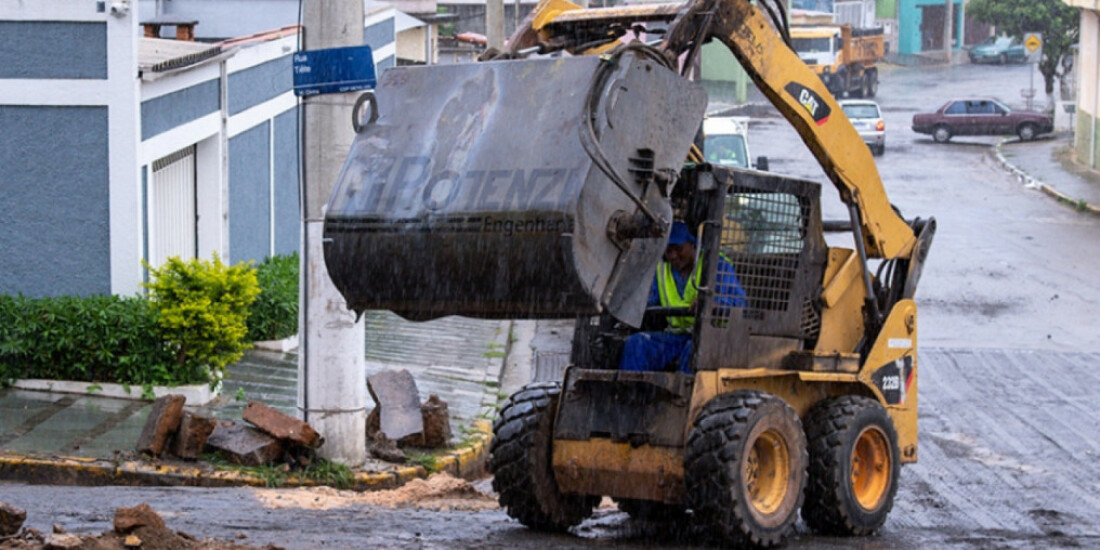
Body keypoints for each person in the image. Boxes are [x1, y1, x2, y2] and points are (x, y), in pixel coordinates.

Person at [619, 222, 747, 374]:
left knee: (693, 350)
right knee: (637, 344)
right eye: (668, 250)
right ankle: (628, 392)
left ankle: (682, 396)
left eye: (678, 249)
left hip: (710, 337)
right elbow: (651, 301)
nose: (673, 256)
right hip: (675, 336)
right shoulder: (661, 270)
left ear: (693, 244)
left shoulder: (716, 265)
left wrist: (712, 303)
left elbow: (740, 304)